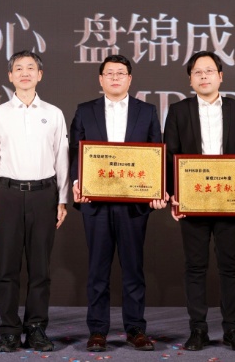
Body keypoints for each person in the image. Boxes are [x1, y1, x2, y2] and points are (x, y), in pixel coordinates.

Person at [163, 51, 235, 353]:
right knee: (195, 267)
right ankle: (198, 330)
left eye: (209, 71)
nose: (204, 76)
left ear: (220, 76)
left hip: (230, 199)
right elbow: (170, 154)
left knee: (230, 267)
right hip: (192, 200)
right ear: (190, 80)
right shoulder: (179, 111)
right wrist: (173, 194)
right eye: (197, 72)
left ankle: (232, 329)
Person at [68, 55, 167, 352]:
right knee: (97, 269)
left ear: (129, 79)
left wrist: (157, 188)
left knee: (133, 268)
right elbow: (74, 151)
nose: (114, 77)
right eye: (109, 73)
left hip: (133, 203)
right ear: (100, 79)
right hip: (95, 201)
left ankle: (136, 329)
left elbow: (155, 153)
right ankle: (98, 331)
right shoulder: (85, 110)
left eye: (120, 73)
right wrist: (77, 182)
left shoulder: (146, 111)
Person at [0, 50, 69, 352]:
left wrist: (62, 199)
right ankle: (9, 331)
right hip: (7, 195)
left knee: (40, 268)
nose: (25, 73)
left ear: (40, 75)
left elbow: (62, 159)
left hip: (44, 195)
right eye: (18, 68)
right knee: (7, 268)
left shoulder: (54, 114)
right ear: (10, 76)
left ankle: (36, 328)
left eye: (31, 68)